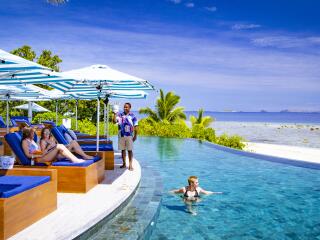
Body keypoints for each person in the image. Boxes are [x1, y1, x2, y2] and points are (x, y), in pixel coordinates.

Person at [113, 102, 138, 171]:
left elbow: (136, 126)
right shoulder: (120, 115)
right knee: (123, 150)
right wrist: (115, 113)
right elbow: (114, 121)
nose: (125, 108)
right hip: (121, 135)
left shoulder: (133, 116)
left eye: (126, 107)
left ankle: (130, 165)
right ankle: (124, 164)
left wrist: (135, 135)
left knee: (130, 150)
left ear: (130, 108)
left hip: (129, 135)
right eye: (124, 107)